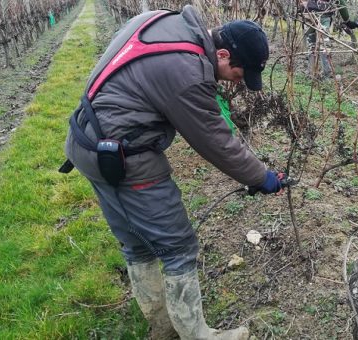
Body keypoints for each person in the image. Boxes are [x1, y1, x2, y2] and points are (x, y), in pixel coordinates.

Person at [60, 5, 283, 340]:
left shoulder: (160, 21)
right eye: (237, 75)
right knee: (178, 247)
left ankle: (161, 325)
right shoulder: (187, 71)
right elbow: (215, 141)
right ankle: (196, 334)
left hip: (87, 142)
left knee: (136, 243)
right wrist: (260, 177)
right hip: (125, 158)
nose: (235, 83)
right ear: (221, 54)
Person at [301, 0, 358, 78]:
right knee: (324, 45)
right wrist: (348, 21)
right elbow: (340, 2)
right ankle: (326, 75)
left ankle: (311, 73)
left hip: (307, 13)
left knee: (311, 44)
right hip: (323, 14)